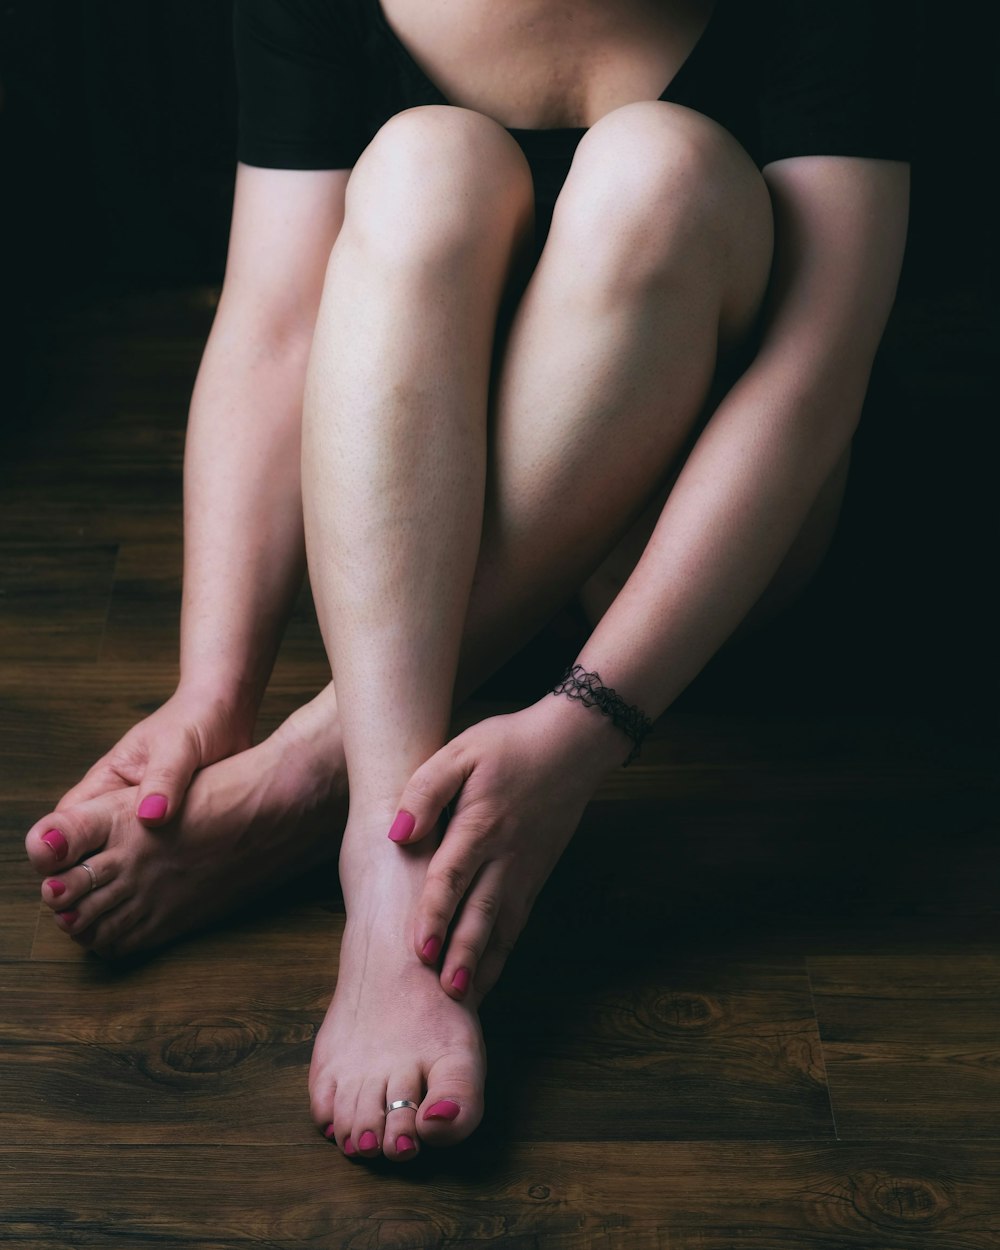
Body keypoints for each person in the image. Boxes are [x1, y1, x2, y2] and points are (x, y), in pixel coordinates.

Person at [24, 0, 912, 1163]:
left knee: (661, 164)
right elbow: (275, 324)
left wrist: (587, 726)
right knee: (422, 160)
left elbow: (808, 389)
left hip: (691, 562)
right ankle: (390, 871)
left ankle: (316, 772)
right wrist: (210, 688)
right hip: (408, 521)